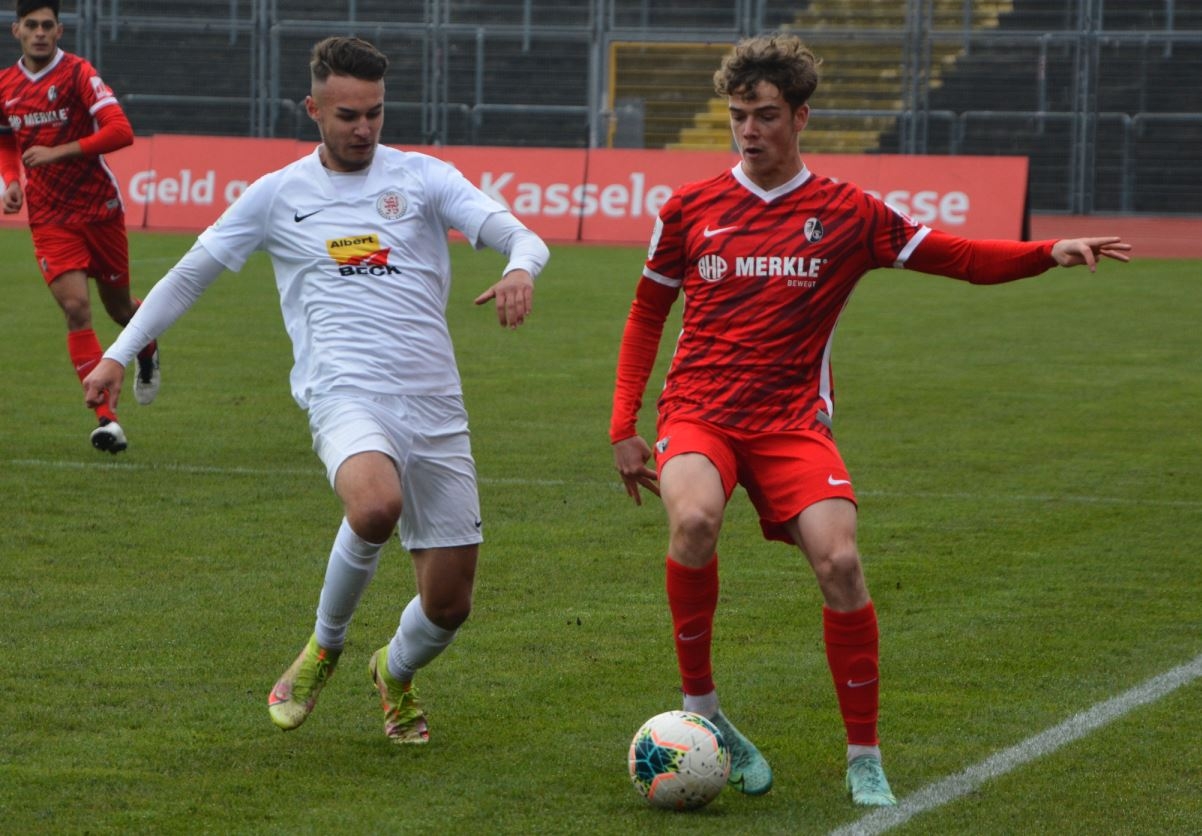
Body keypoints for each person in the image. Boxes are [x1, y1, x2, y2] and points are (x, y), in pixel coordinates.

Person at [610, 33, 1130, 807]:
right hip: (700, 412)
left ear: (801, 117)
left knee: (841, 564)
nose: (749, 131)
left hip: (791, 423)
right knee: (692, 523)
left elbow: (955, 255)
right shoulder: (689, 208)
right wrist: (625, 424)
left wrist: (1047, 249)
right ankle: (705, 714)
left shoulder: (848, 212)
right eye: (737, 117)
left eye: (764, 116)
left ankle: (864, 755)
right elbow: (647, 313)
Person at [82, 36, 550, 744]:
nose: (363, 128)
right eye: (347, 115)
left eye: (375, 113)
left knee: (449, 605)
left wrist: (520, 269)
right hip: (343, 394)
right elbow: (187, 274)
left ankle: (392, 671)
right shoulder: (278, 195)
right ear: (313, 110)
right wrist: (119, 352)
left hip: (434, 405)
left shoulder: (422, 178)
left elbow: (521, 235)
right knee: (374, 504)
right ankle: (323, 648)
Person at [1, 0, 159, 454]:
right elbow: (7, 141)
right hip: (49, 216)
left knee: (120, 310)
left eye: (47, 26)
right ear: (16, 31)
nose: (39, 33)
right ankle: (106, 419)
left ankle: (145, 345)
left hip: (99, 210)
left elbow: (121, 131)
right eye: (31, 25)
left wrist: (59, 151)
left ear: (59, 31)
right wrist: (12, 182)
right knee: (75, 309)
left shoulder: (77, 74)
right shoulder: (5, 85)